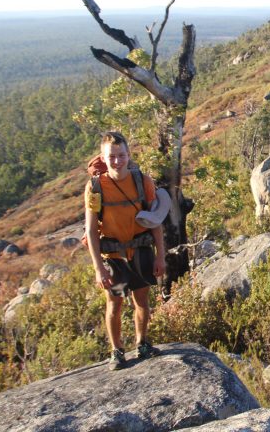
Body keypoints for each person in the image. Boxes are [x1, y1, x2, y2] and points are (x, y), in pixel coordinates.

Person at [85, 132, 166, 370]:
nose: (117, 161)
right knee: (115, 304)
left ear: (129, 156)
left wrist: (160, 256)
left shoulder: (143, 181)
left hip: (140, 251)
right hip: (113, 256)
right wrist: (98, 268)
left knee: (142, 301)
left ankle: (142, 343)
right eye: (112, 156)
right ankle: (117, 351)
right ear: (103, 157)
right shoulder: (96, 187)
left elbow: (155, 222)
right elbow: (91, 230)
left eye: (121, 156)